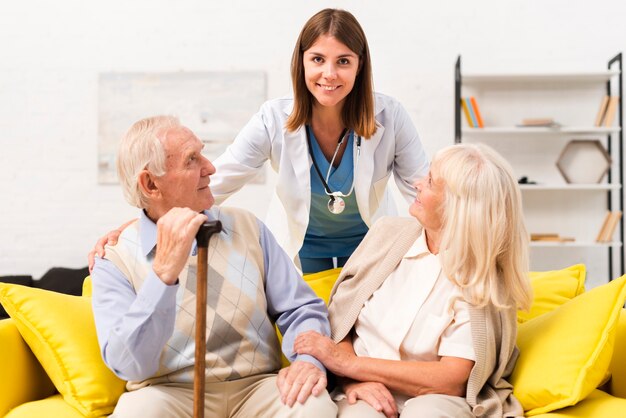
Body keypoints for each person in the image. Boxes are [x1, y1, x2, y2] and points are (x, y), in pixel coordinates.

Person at [89, 8, 429, 274]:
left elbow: (423, 189)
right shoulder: (273, 119)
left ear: (359, 65)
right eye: (317, 60)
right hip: (302, 249)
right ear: (302, 62)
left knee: (361, 332)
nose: (329, 74)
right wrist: (135, 226)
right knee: (310, 329)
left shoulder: (390, 116)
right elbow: (216, 180)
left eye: (343, 61)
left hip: (370, 245)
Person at [91, 115, 337, 418]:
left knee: (314, 407)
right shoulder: (113, 260)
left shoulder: (248, 227)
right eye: (192, 160)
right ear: (150, 183)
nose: (210, 168)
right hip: (168, 393)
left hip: (256, 387)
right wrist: (163, 277)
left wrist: (307, 360)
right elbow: (128, 364)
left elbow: (300, 308)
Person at [293, 143, 533, 418]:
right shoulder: (386, 234)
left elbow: (450, 379)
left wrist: (349, 365)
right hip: (361, 389)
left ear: (458, 207)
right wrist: (353, 379)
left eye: (430, 182)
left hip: (436, 397)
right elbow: (341, 322)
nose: (417, 184)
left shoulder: (483, 281)